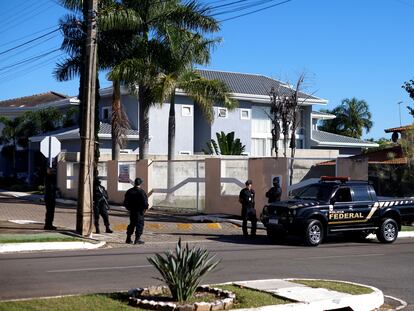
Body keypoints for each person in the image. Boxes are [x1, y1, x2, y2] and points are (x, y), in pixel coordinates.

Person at [124, 177, 149, 244]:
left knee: (132, 224)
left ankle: (128, 238)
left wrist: (129, 209)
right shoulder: (141, 192)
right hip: (139, 212)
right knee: (139, 225)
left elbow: (125, 202)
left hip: (132, 211)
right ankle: (137, 239)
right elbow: (145, 203)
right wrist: (145, 209)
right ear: (140, 183)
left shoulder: (129, 191)